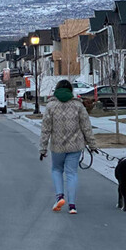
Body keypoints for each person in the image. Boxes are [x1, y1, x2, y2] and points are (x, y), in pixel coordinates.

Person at [39, 79, 97, 214]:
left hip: (57, 146)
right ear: (70, 90)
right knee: (72, 173)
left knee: (56, 170)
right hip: (75, 146)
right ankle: (72, 205)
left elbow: (45, 129)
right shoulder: (78, 105)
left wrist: (42, 148)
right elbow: (86, 127)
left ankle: (59, 196)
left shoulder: (51, 106)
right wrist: (92, 145)